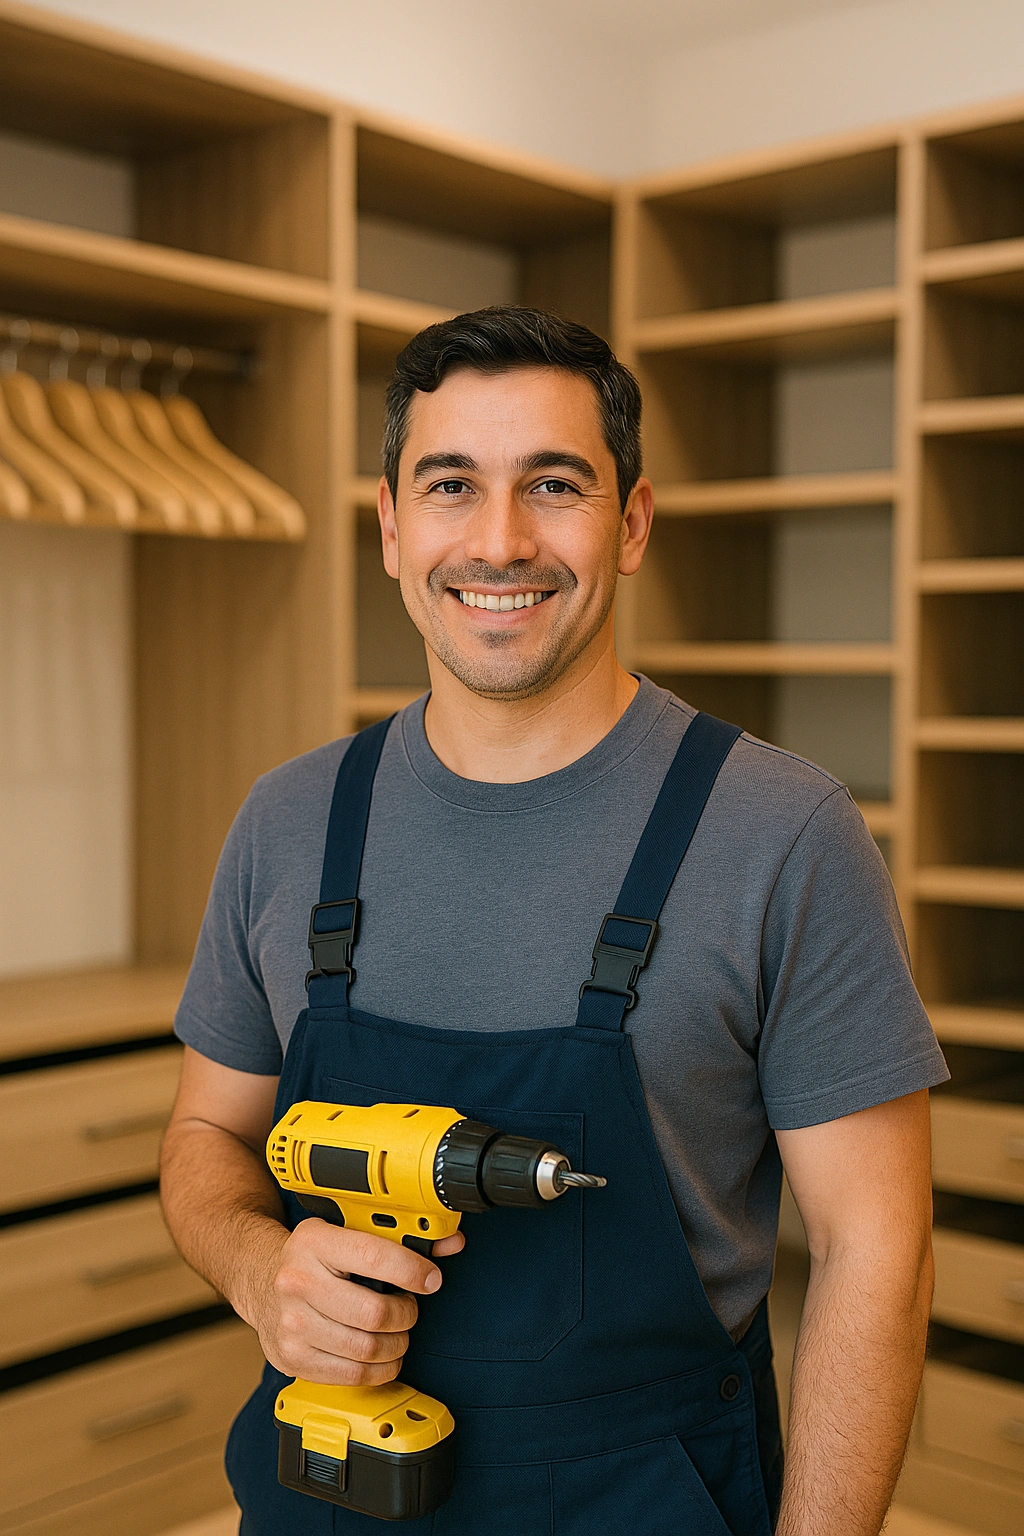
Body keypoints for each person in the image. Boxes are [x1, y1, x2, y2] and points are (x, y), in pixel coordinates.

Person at [161, 305, 948, 1536]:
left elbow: (875, 1256)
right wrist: (262, 1271)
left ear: (630, 523)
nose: (499, 539)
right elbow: (206, 1134)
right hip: (327, 1484)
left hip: (644, 1495)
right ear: (390, 525)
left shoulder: (784, 833)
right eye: (450, 485)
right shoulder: (288, 819)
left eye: (555, 485)